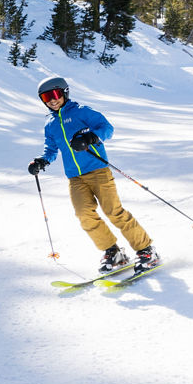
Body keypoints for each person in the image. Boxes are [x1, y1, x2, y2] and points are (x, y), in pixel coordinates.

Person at [27, 77, 159, 274]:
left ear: (64, 92)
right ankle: (113, 253)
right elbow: (51, 148)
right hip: (75, 177)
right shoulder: (50, 123)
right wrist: (41, 161)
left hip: (98, 170)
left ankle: (146, 250)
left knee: (114, 212)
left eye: (55, 95)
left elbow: (107, 128)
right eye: (46, 97)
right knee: (84, 215)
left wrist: (90, 137)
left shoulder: (81, 111)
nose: (52, 100)